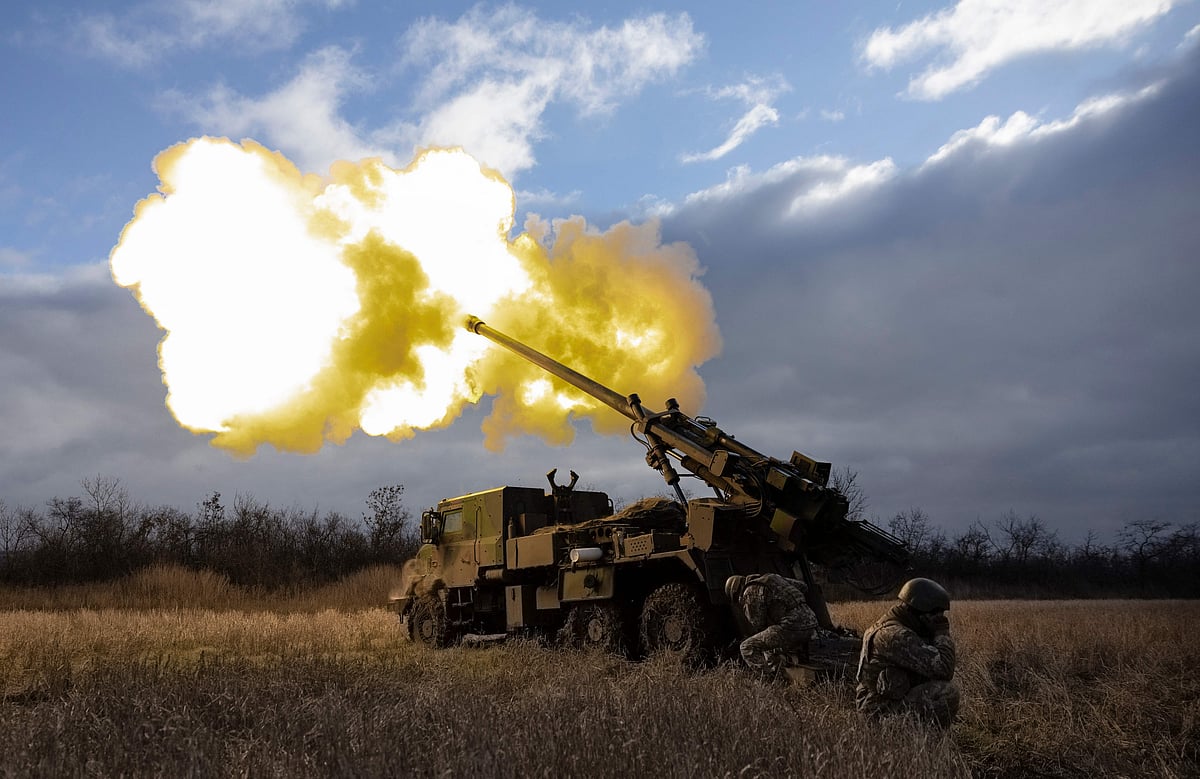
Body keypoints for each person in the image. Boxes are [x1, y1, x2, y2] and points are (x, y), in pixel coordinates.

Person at [855, 577, 960, 727]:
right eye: (936, 615)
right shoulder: (895, 635)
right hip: (878, 714)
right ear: (920, 613)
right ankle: (924, 741)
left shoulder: (895, 623)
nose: (939, 620)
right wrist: (942, 633)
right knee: (947, 692)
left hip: (880, 705)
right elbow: (945, 668)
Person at [725, 573, 818, 675]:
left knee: (746, 647)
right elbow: (803, 586)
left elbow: (758, 624)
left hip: (792, 627)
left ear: (736, 591)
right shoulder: (773, 577)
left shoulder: (749, 592)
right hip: (811, 622)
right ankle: (782, 672)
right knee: (769, 648)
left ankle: (769, 679)